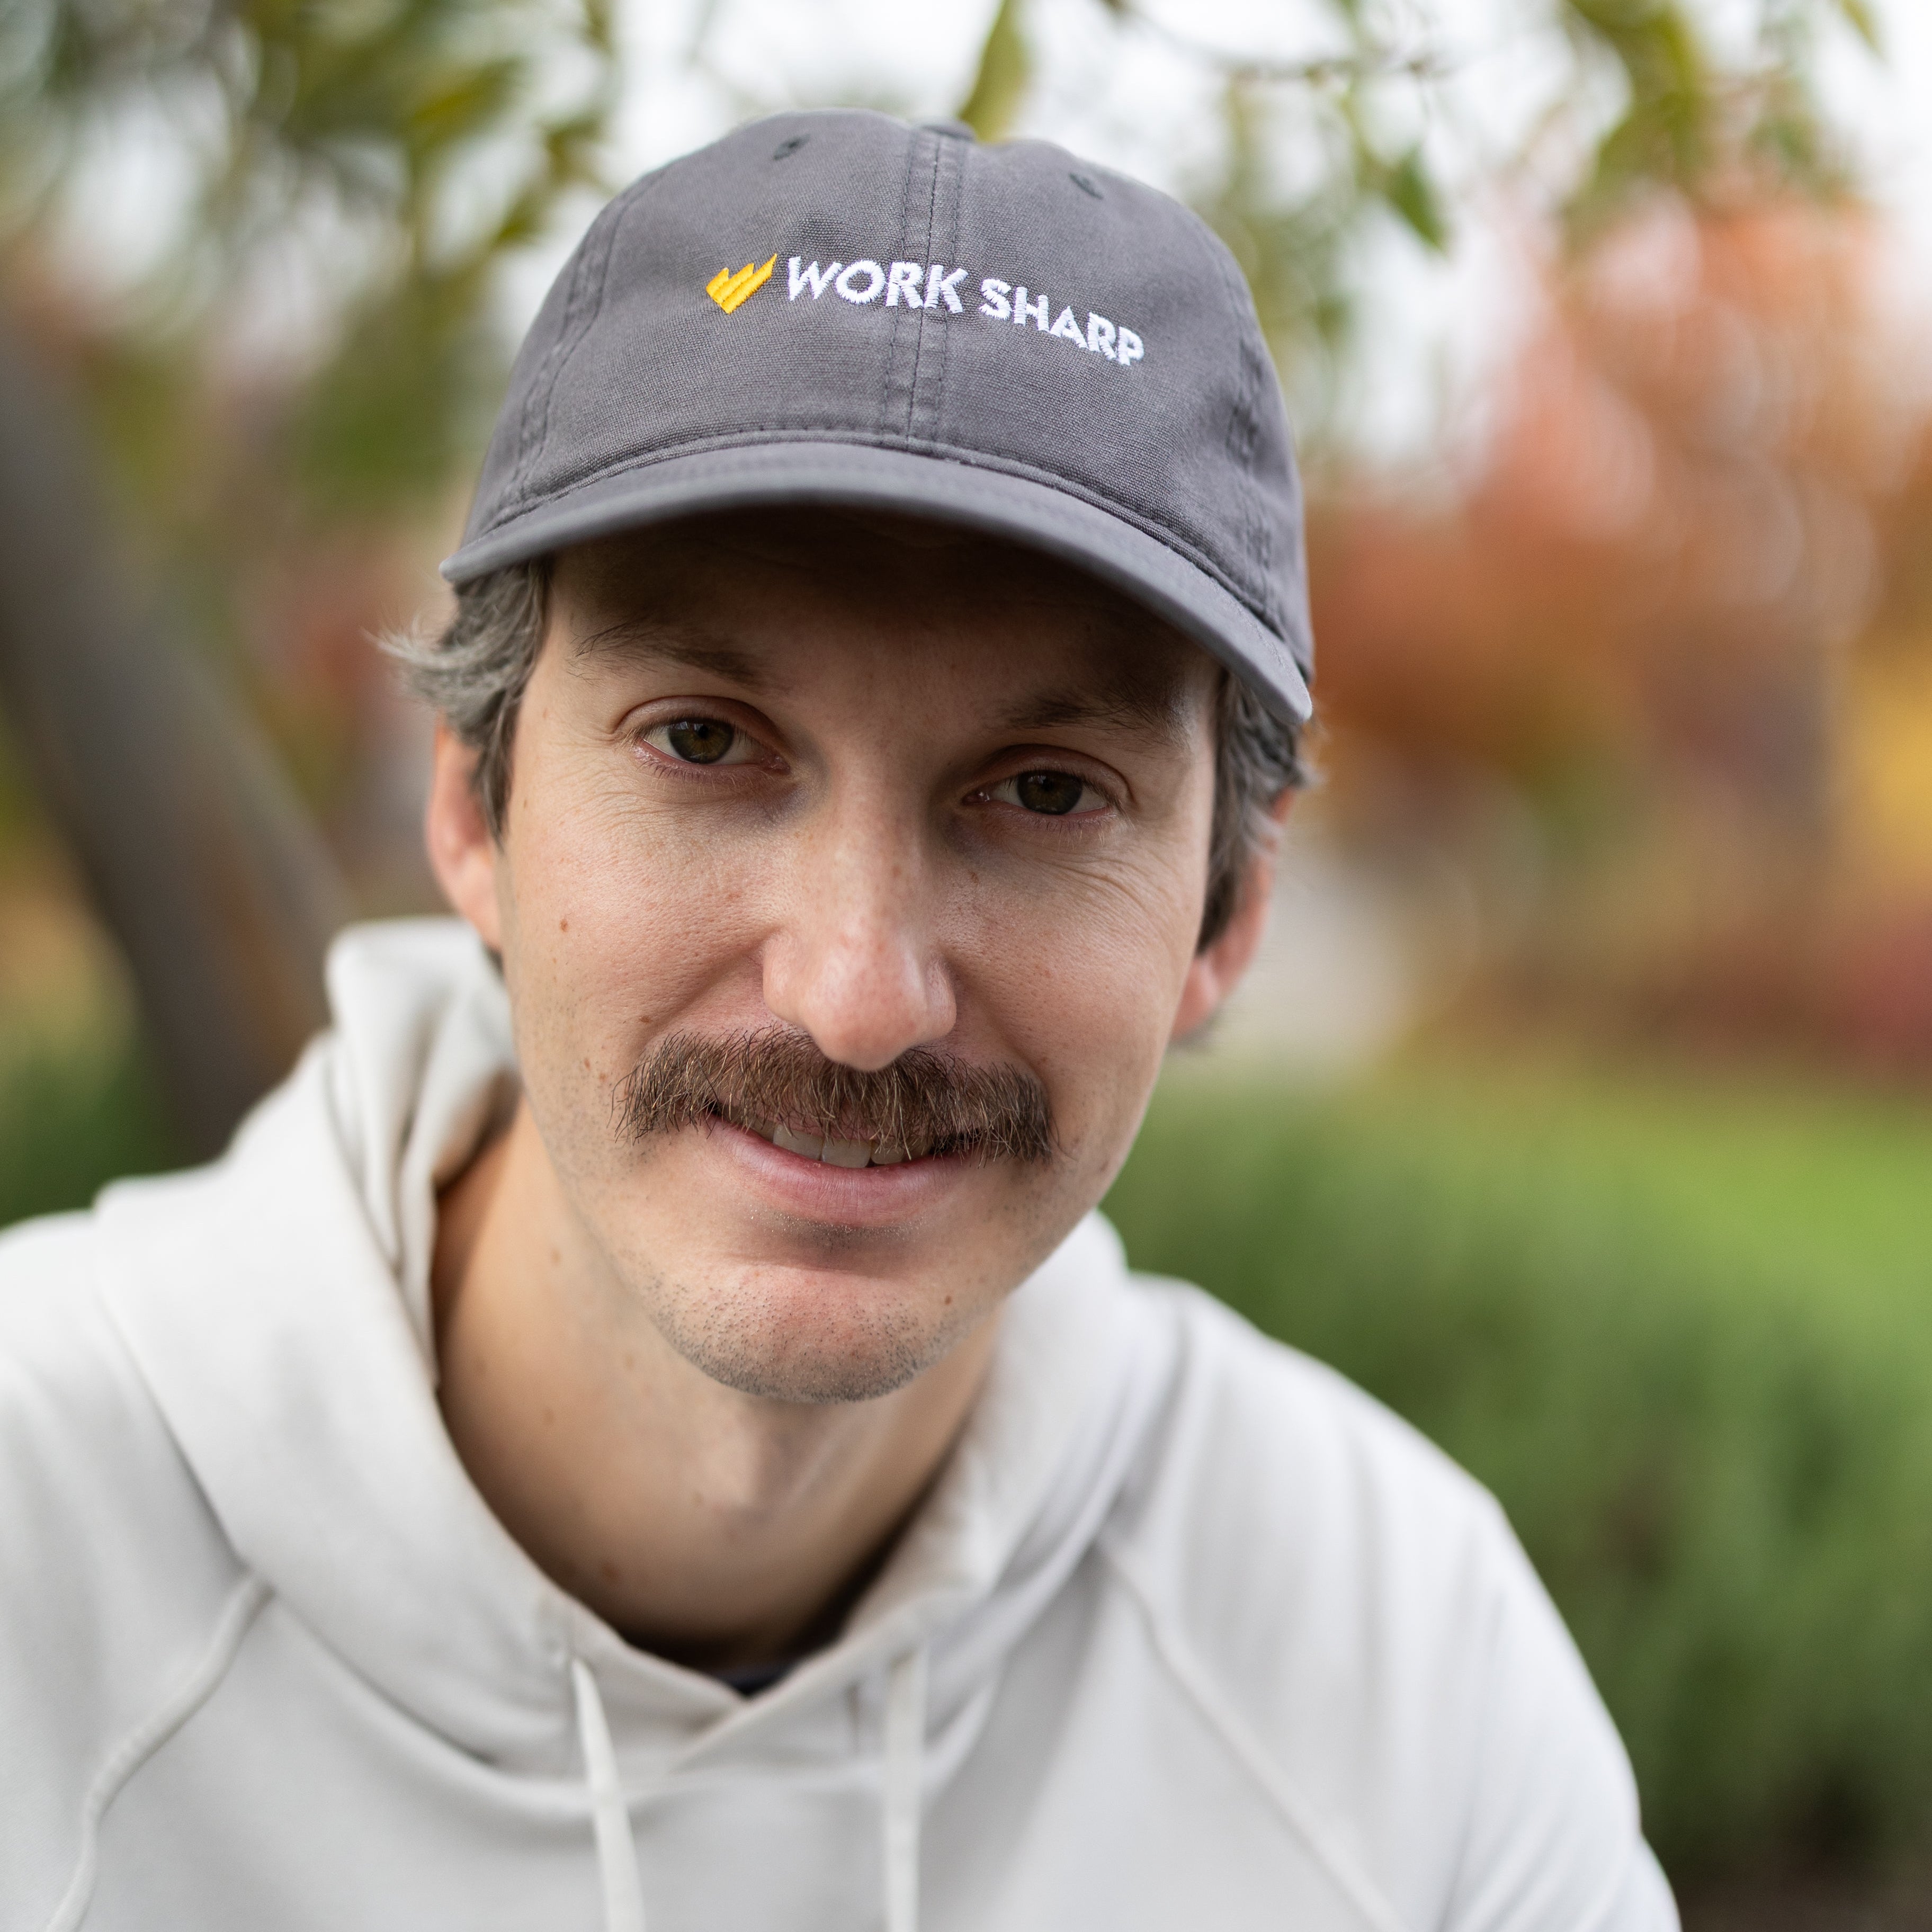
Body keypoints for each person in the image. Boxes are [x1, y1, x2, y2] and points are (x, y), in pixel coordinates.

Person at [0, 110, 1677, 1931]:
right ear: (475, 814)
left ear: (1228, 915)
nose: (858, 997)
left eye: (1043, 794)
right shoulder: (39, 1543)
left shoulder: (1400, 1668)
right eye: (708, 743)